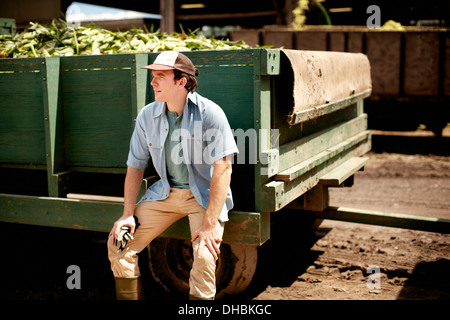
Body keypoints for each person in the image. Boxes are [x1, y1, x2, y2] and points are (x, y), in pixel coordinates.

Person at [107, 51, 238, 300]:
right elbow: (135, 166)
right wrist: (127, 215)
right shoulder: (147, 116)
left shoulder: (210, 113)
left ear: (182, 81)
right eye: (153, 76)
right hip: (165, 194)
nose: (153, 82)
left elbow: (223, 168)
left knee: (203, 256)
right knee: (118, 244)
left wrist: (210, 225)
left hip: (203, 197)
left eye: (160, 76)